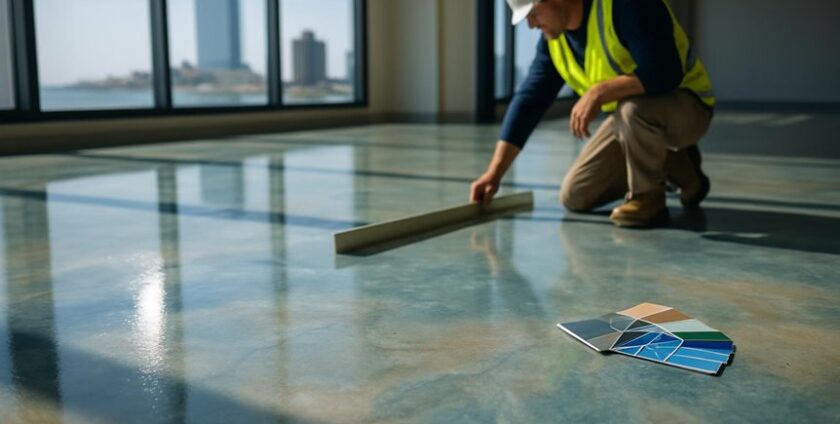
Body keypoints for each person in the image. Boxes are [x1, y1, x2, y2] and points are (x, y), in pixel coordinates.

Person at [470, 0, 714, 227]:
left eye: (533, 14)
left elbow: (665, 71)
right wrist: (494, 174)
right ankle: (683, 167)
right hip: (631, 124)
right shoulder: (555, 42)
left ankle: (648, 197)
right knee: (576, 195)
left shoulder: (626, 6)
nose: (531, 25)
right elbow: (528, 102)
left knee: (632, 110)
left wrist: (600, 91)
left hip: (687, 105)